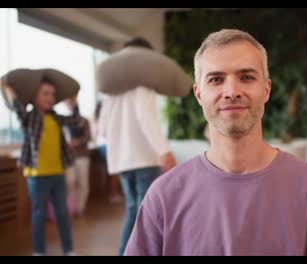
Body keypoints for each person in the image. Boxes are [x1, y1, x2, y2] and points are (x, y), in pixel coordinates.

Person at [124, 29, 307, 256]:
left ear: (266, 89)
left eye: (247, 77)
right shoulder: (164, 196)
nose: (231, 91)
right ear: (199, 94)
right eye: (216, 79)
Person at [98, 37, 177, 256]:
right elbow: (146, 120)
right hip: (143, 158)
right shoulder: (142, 85)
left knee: (133, 209)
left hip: (122, 161)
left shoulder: (110, 91)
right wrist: (164, 150)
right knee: (145, 214)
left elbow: (102, 129)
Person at [1, 77, 79, 256]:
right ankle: (39, 251)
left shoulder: (56, 118)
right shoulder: (29, 118)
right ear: (34, 97)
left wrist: (74, 103)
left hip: (58, 173)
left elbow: (75, 121)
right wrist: (8, 90)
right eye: (45, 93)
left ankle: (68, 250)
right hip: (37, 175)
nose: (49, 98)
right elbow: (17, 107)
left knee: (62, 213)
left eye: (52, 94)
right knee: (39, 214)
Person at [65, 106, 91, 216]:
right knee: (70, 182)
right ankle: (72, 207)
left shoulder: (84, 121)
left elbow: (88, 137)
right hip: (69, 157)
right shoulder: (65, 122)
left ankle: (80, 209)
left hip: (82, 156)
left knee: (83, 183)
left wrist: (78, 142)